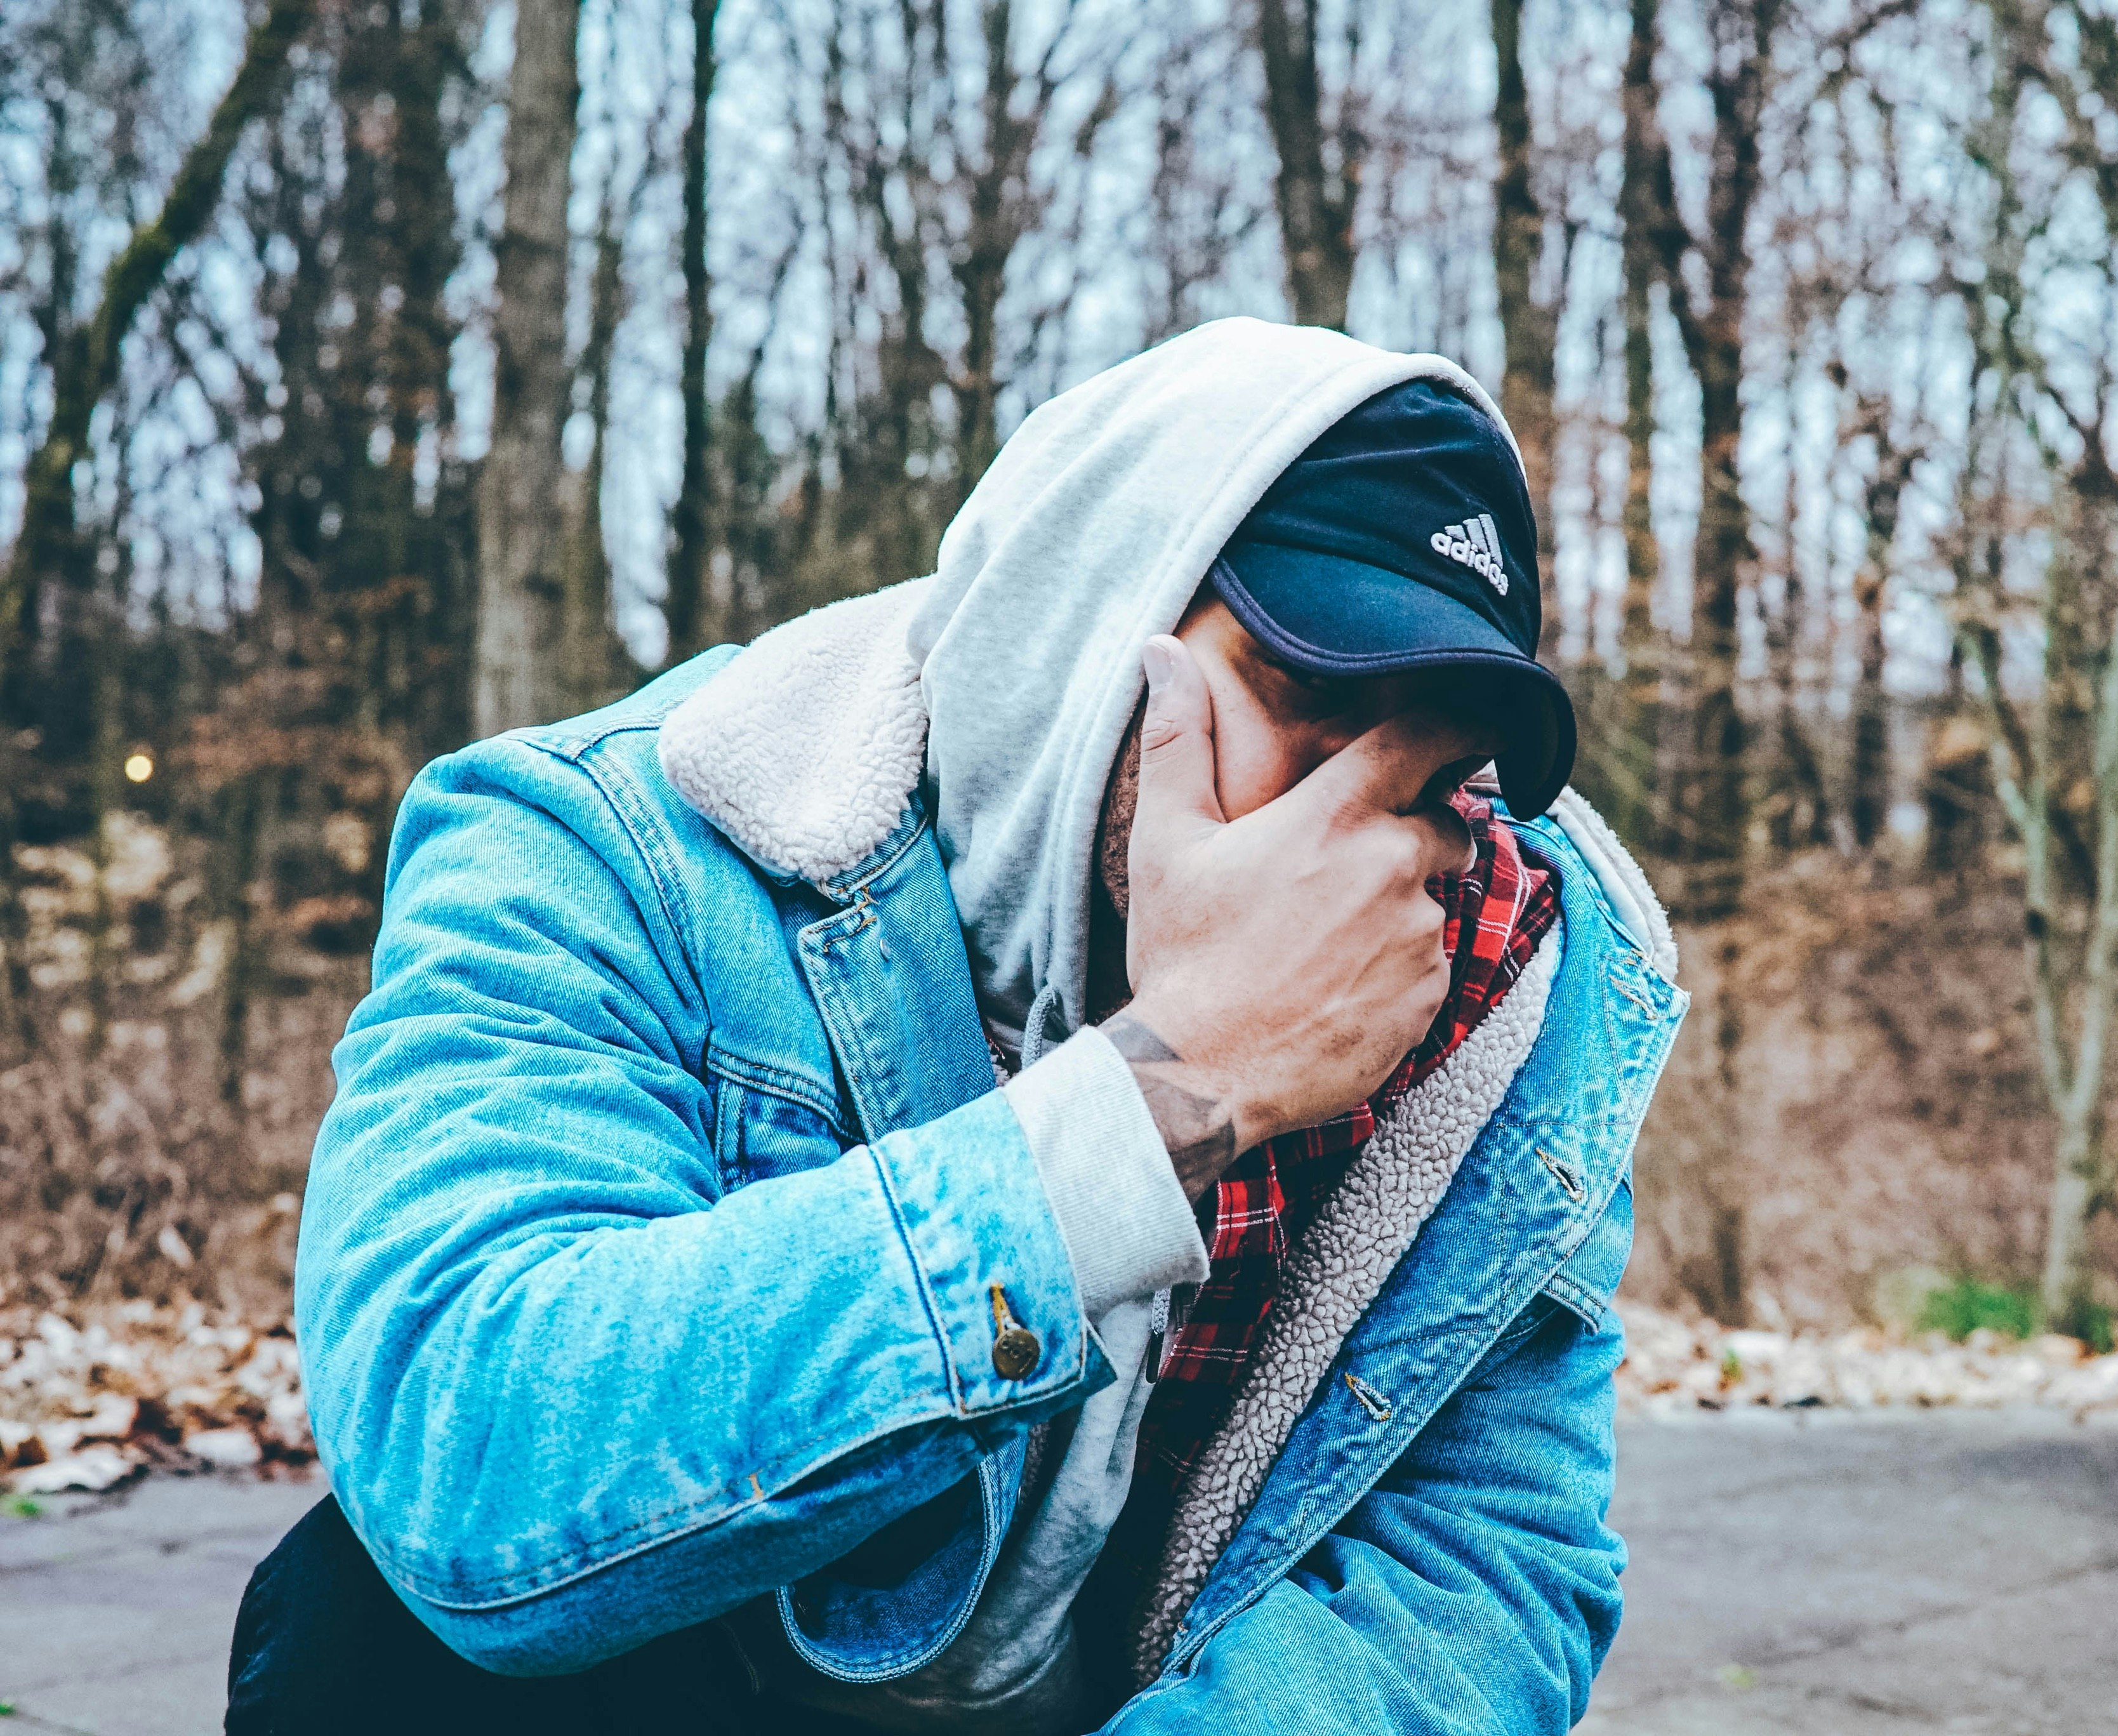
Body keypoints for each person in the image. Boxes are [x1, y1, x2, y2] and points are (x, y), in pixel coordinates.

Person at [226, 317, 1686, 1735]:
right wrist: (1166, 1093)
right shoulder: (604, 845)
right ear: (1079, 630)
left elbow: (1484, 1573)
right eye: (1304, 699)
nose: (1353, 849)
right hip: (699, 1677)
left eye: (1429, 771)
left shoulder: (1501, 980)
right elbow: (468, 1458)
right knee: (360, 1634)